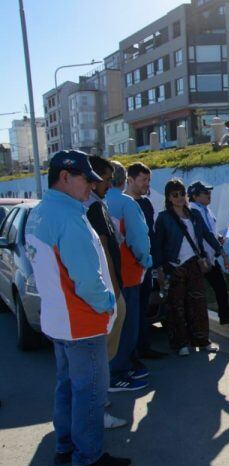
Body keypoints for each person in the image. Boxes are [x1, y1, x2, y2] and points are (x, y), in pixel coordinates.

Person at [25, 150, 131, 466]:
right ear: (65, 177)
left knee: (67, 386)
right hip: (81, 321)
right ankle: (88, 458)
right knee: (90, 390)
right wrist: (108, 305)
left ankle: (66, 445)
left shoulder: (42, 213)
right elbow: (86, 278)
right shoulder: (68, 217)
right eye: (87, 179)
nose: (92, 186)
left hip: (59, 318)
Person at [85, 156, 129, 430]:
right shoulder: (89, 209)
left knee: (101, 356)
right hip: (107, 290)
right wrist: (113, 293)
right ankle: (96, 410)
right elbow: (103, 252)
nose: (110, 184)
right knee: (97, 358)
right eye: (106, 179)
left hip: (110, 288)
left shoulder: (97, 205)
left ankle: (98, 401)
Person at [154, 179, 222, 355]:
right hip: (174, 265)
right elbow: (158, 245)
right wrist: (160, 269)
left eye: (182, 194)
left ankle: (202, 340)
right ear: (168, 197)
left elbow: (206, 235)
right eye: (174, 195)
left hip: (194, 263)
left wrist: (221, 251)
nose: (179, 198)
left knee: (198, 303)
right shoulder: (164, 218)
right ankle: (181, 343)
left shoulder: (194, 215)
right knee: (176, 306)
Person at [105, 163, 152, 392]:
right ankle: (119, 371)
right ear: (124, 180)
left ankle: (117, 367)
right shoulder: (125, 203)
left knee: (112, 325)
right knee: (127, 324)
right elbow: (139, 240)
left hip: (105, 275)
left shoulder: (92, 203)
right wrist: (146, 261)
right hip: (128, 273)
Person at [124, 162, 167, 360]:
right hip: (129, 268)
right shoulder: (121, 203)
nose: (147, 184)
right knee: (130, 313)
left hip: (147, 266)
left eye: (148, 180)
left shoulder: (146, 203)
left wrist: (157, 266)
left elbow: (152, 235)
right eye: (143, 180)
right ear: (130, 180)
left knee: (142, 309)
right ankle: (129, 352)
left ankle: (144, 346)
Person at [188, 181, 229, 325]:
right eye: (205, 193)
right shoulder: (194, 211)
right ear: (195, 196)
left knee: (220, 287)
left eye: (209, 192)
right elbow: (203, 234)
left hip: (210, 257)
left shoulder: (206, 210)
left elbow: (210, 231)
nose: (209, 195)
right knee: (199, 292)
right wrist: (222, 252)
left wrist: (218, 238)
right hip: (200, 259)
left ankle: (225, 316)